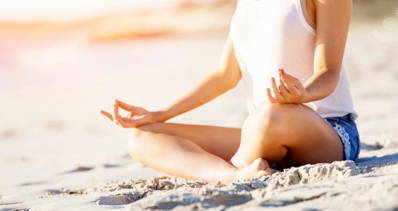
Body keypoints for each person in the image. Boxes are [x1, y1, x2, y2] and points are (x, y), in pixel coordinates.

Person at [101, 0, 360, 183]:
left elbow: (328, 73)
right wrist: (161, 114)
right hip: (262, 132)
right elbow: (224, 76)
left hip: (327, 132)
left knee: (271, 116)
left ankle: (238, 165)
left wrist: (301, 95)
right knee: (143, 138)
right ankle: (231, 175)